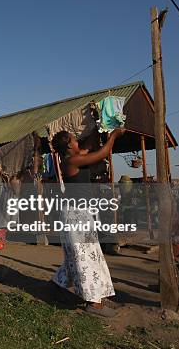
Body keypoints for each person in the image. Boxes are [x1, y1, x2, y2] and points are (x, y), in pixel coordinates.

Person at [50, 128, 125, 317]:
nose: (78, 142)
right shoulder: (72, 161)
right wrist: (114, 136)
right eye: (75, 140)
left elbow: (89, 146)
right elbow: (101, 153)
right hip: (76, 215)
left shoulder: (73, 156)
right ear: (68, 144)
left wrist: (98, 126)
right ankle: (94, 303)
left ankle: (57, 287)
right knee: (87, 257)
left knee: (76, 255)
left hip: (77, 213)